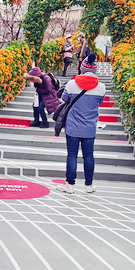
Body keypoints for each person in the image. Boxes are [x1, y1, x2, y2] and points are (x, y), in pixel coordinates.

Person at [56, 53, 106, 194]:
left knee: (72, 155)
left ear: (82, 68)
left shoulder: (72, 84)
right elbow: (99, 102)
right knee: (89, 156)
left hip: (73, 127)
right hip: (90, 127)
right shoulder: (101, 88)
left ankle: (70, 185)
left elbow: (64, 99)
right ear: (95, 69)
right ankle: (88, 186)